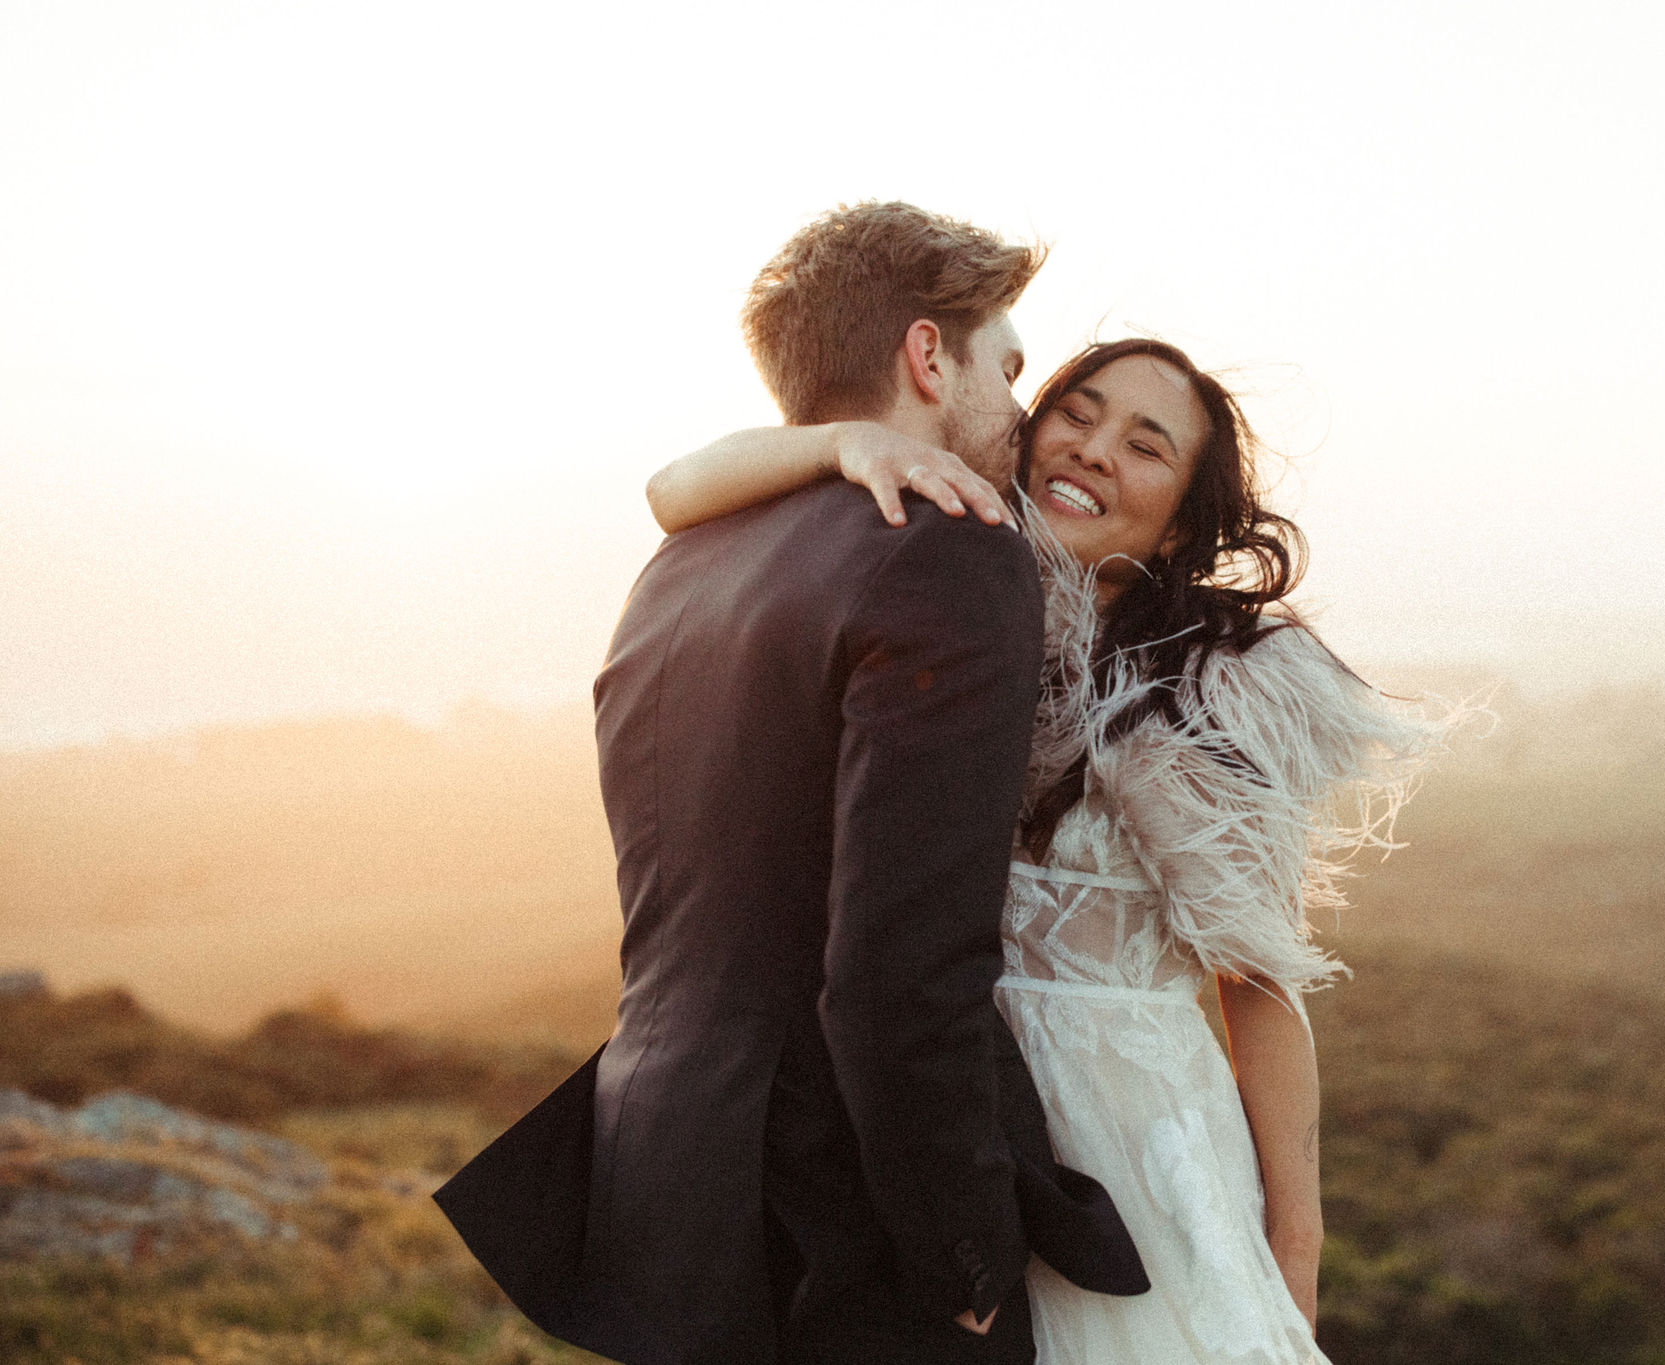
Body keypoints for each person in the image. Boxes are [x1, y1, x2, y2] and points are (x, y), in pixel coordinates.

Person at [433, 202, 1147, 1365]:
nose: (1020, 414)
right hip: (843, 1215)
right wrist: (962, 1253)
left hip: (662, 1176)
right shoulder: (950, 553)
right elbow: (899, 967)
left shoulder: (680, 563)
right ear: (927, 355)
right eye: (1005, 370)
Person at [645, 336, 1452, 1362]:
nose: (1097, 449)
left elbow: (1259, 983)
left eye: (1146, 445)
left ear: (1176, 530)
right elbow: (674, 489)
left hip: (1137, 1151)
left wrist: (1294, 1243)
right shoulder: (940, 587)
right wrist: (842, 443)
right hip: (953, 1143)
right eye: (1078, 411)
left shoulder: (1212, 691)